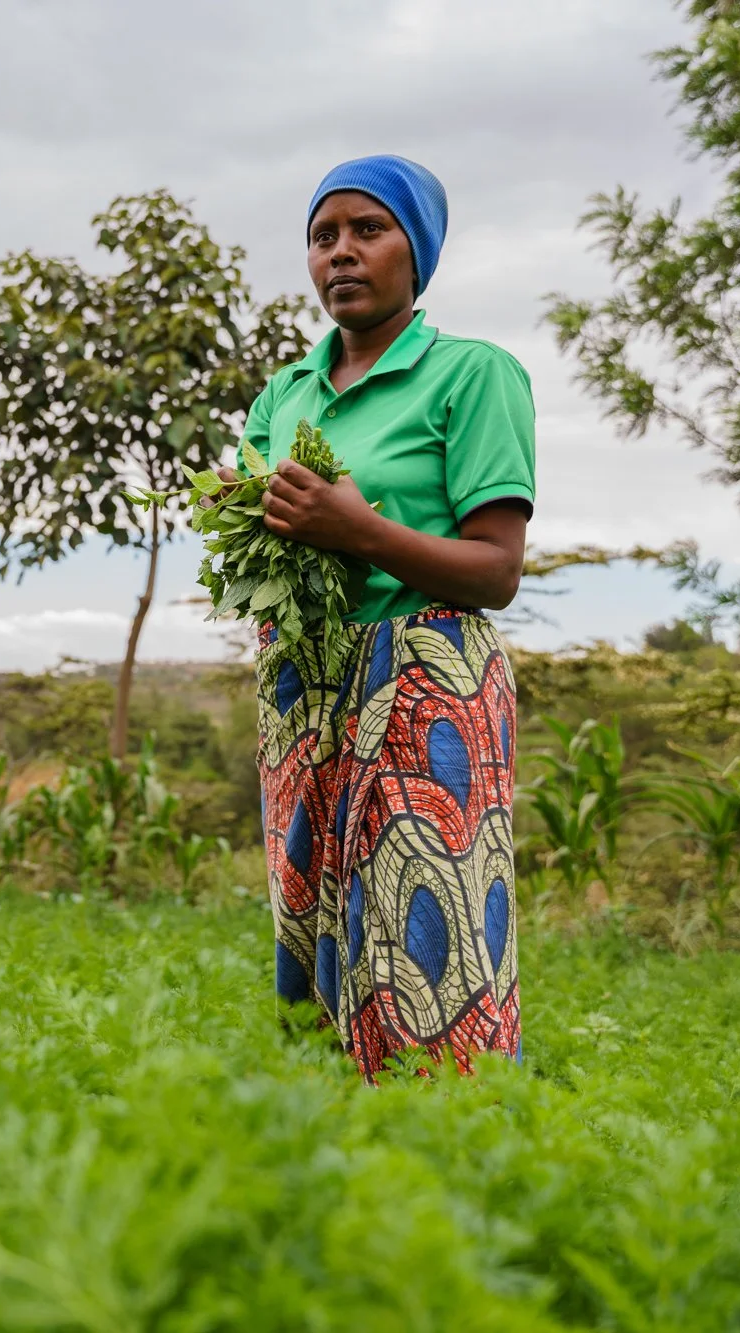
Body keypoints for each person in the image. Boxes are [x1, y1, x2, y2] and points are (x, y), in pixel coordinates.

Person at [232, 154, 535, 1082]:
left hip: (425, 672)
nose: (342, 254)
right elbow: (254, 520)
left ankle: (448, 1156)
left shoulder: (472, 376)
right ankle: (329, 1160)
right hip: (305, 683)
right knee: (311, 923)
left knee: (423, 933)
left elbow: (496, 569)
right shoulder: (284, 394)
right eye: (324, 237)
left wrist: (359, 529)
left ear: (419, 251)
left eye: (369, 230)